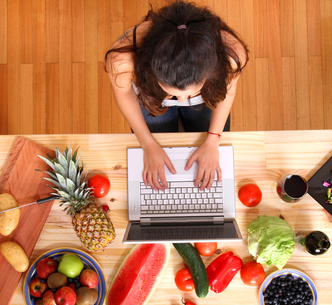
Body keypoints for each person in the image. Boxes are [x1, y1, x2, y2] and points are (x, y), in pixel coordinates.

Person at [105, 0, 248, 191]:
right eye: (172, 92)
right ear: (149, 69)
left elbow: (228, 91)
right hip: (151, 97)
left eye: (191, 92)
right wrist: (147, 144)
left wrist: (213, 140)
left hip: (203, 98)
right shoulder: (121, 60)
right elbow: (124, 93)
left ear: (213, 72)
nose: (182, 101)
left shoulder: (232, 55)